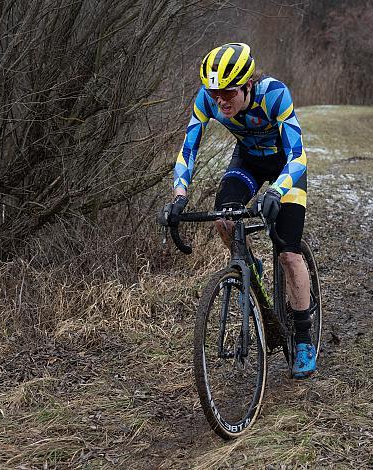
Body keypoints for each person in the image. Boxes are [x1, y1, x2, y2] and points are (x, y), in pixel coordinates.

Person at [161, 43, 315, 378]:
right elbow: (189, 148)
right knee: (223, 217)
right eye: (215, 93)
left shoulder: (274, 94)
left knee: (288, 254)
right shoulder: (208, 100)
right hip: (246, 163)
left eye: (228, 93)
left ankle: (303, 337)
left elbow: (299, 155)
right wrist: (178, 195)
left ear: (247, 85)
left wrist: (277, 190)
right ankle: (248, 262)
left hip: (285, 169)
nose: (220, 101)